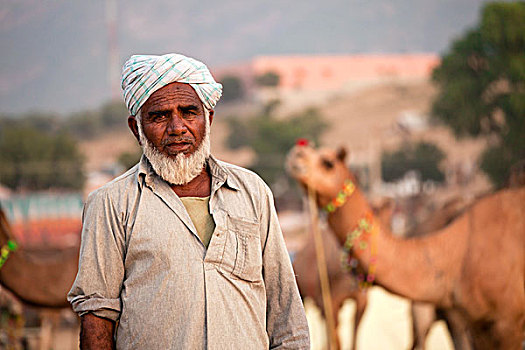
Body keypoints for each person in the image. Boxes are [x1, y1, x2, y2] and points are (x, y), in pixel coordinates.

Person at [67, 53, 310, 349]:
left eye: (189, 112)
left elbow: (285, 309)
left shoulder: (252, 192)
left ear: (208, 119)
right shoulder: (111, 203)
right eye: (159, 116)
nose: (177, 128)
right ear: (136, 128)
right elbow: (96, 317)